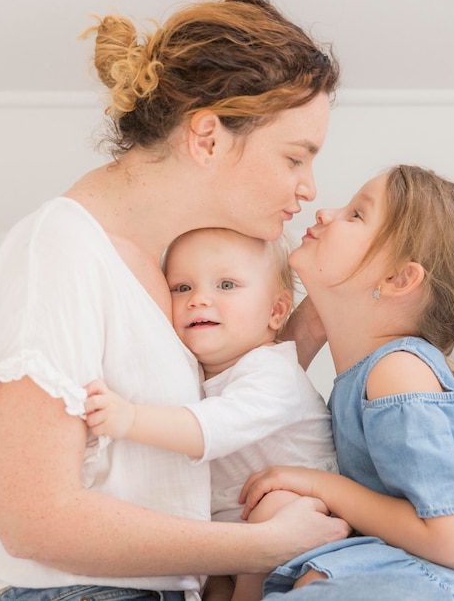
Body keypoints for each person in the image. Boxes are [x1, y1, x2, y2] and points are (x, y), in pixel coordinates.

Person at [0, 0, 350, 601]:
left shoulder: (168, 269)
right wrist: (264, 546)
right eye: (294, 157)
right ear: (207, 138)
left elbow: (251, 392)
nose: (308, 188)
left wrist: (332, 289)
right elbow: (32, 519)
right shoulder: (61, 249)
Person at [240, 165, 454, 599]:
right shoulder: (368, 371)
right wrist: (317, 310)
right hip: (440, 558)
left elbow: (449, 540)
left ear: (398, 279)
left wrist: (321, 486)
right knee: (310, 566)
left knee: (319, 583)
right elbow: (262, 384)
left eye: (355, 215)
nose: (325, 213)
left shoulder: (399, 372)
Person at [84, 227, 339, 601]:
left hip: (309, 527)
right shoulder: (189, 374)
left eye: (226, 285)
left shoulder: (273, 371)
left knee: (277, 505)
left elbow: (213, 428)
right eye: (182, 288)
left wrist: (130, 419)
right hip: (233, 538)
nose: (199, 299)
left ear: (276, 311)